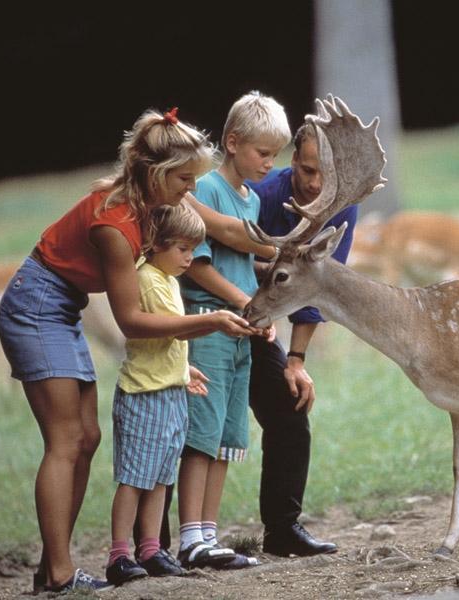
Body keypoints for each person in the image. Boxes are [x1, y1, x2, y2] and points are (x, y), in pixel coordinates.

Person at [0, 107, 262, 593]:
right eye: (184, 179)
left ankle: (52, 566)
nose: (189, 188)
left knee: (87, 437)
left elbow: (216, 230)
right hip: (35, 307)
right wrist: (208, 322)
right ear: (157, 173)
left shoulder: (147, 206)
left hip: (62, 308)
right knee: (65, 440)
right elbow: (132, 324)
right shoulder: (115, 224)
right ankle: (57, 573)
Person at [174, 91, 290, 569]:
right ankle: (188, 537)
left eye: (274, 155)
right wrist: (244, 302)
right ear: (233, 141)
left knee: (225, 434)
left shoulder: (250, 199)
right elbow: (197, 266)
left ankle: (209, 533)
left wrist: (260, 315)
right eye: (263, 153)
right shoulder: (204, 191)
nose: (269, 164)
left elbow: (247, 268)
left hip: (240, 330)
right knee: (202, 432)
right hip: (209, 325)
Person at [247, 121, 357, 556]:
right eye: (308, 170)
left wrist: (296, 360)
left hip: (262, 326)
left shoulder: (342, 207)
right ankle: (154, 543)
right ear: (293, 160)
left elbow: (317, 287)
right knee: (191, 426)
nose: (315, 184)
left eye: (324, 175)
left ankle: (282, 530)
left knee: (290, 410)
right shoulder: (262, 195)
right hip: (214, 314)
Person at [104, 204, 212, 586]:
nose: (190, 258)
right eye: (182, 248)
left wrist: (183, 372)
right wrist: (213, 320)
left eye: (193, 249)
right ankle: (120, 554)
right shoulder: (148, 277)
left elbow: (166, 343)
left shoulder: (168, 279)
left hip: (169, 392)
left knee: (162, 477)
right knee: (136, 477)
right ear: (155, 244)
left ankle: (151, 549)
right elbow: (172, 328)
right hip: (144, 394)